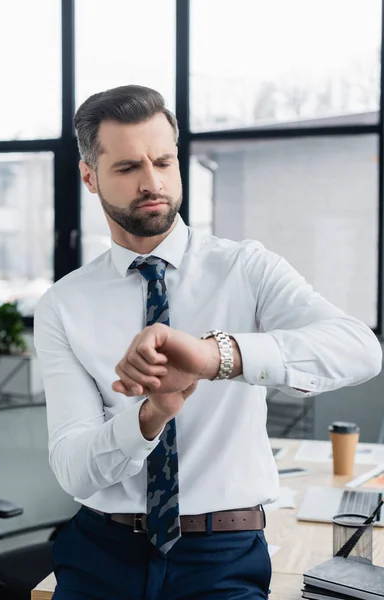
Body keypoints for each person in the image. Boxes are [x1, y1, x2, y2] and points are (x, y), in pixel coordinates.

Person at [34, 84, 383, 600]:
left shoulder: (246, 267)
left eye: (164, 161)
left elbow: (358, 348)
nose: (152, 182)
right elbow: (73, 467)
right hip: (101, 554)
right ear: (89, 176)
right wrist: (149, 416)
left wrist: (219, 356)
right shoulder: (64, 304)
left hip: (222, 555)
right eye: (128, 168)